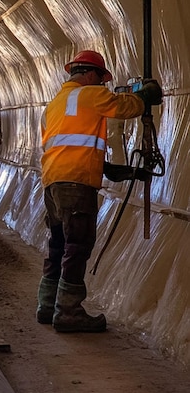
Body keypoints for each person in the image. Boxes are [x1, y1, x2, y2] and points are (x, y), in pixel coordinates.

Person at [37, 50, 162, 333]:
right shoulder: (91, 95)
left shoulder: (53, 105)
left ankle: (47, 304)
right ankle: (68, 312)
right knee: (77, 245)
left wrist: (104, 168)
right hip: (77, 184)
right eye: (101, 79)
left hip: (53, 180)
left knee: (58, 243)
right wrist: (145, 95)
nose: (102, 85)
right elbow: (123, 107)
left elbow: (67, 146)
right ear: (91, 74)